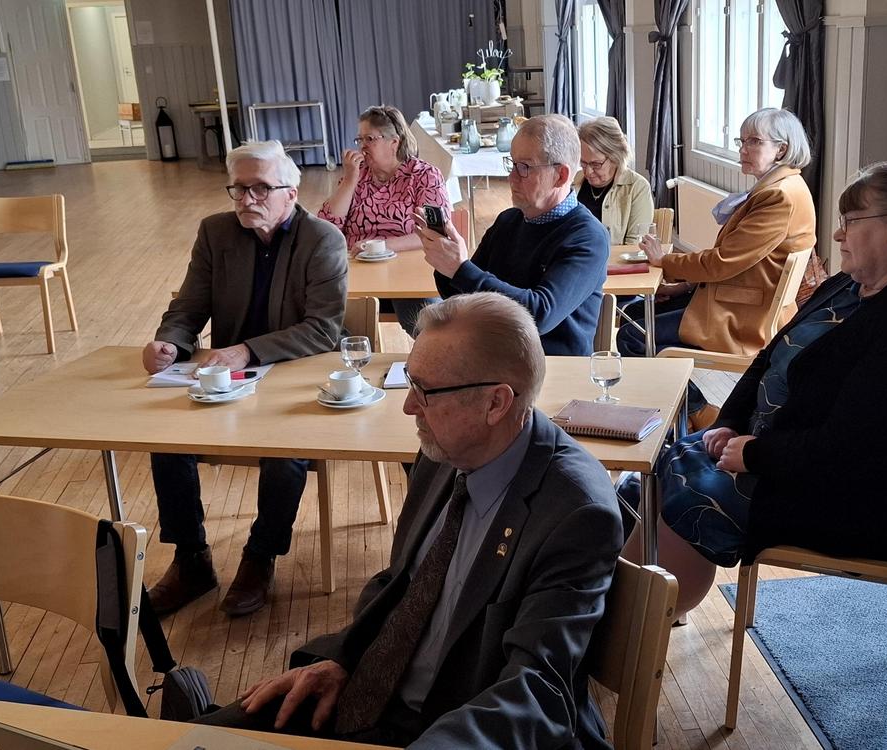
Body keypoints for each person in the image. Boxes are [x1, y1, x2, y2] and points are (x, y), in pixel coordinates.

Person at [194, 292, 624, 748]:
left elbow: (537, 691)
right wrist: (342, 659)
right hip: (377, 691)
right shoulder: (443, 452)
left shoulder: (575, 512)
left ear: (496, 403)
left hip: (461, 730)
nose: (408, 407)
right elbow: (400, 582)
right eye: (410, 383)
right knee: (201, 740)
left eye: (425, 391)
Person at [650, 161, 887, 617]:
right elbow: (769, 355)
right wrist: (731, 421)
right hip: (799, 457)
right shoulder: (854, 283)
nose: (838, 235)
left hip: (863, 501)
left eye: (850, 222)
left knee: (691, 486)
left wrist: (755, 454)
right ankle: (628, 604)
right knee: (674, 456)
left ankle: (643, 623)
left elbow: (856, 451)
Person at [142, 140, 348, 617]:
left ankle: (259, 557)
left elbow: (323, 329)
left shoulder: (322, 240)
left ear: (290, 193)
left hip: (295, 378)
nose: (246, 199)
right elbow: (188, 307)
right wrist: (169, 343)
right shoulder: (215, 232)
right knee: (165, 440)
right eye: (238, 188)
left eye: (260, 188)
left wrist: (247, 350)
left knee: (284, 453)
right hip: (226, 379)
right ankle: (191, 559)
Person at [617, 107, 816, 359]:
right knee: (635, 313)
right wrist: (684, 286)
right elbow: (735, 261)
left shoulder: (778, 196)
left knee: (632, 335)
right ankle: (673, 380)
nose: (743, 150)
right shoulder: (784, 186)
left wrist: (664, 261)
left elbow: (723, 261)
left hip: (742, 315)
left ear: (782, 149)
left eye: (754, 141)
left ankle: (685, 386)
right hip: (738, 299)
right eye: (742, 141)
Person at [421, 114, 610, 356]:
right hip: (495, 357)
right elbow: (462, 295)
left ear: (561, 175)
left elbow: (540, 315)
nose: (511, 178)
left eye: (524, 167)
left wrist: (460, 269)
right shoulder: (508, 221)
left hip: (555, 366)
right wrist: (445, 263)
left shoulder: (588, 237)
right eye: (512, 164)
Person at [319, 105, 450, 336]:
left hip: (407, 273)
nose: (362, 146)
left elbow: (435, 230)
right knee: (331, 321)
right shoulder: (357, 176)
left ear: (394, 142)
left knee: (428, 326)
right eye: (359, 140)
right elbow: (328, 226)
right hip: (357, 274)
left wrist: (380, 246)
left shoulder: (424, 175)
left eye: (369, 139)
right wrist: (350, 179)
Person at [575, 116, 653, 244]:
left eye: (596, 164)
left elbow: (635, 246)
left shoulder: (637, 187)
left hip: (615, 257)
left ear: (616, 157)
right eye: (583, 163)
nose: (588, 171)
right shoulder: (572, 182)